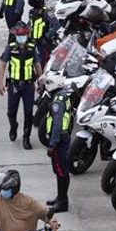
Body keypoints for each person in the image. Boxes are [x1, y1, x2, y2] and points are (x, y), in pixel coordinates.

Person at [0, 24, 40, 150]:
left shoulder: (32, 48)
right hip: (14, 85)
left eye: (24, 35)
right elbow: (3, 65)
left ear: (27, 35)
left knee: (28, 112)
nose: (21, 37)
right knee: (11, 111)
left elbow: (37, 65)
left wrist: (41, 82)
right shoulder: (10, 48)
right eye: (19, 35)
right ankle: (13, 126)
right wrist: (0, 83)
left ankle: (26, 137)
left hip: (28, 86)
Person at [44, 84, 75, 212]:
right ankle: (60, 196)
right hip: (64, 138)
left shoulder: (57, 103)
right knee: (60, 171)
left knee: (61, 171)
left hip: (59, 141)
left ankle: (63, 202)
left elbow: (57, 123)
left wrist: (52, 144)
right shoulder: (63, 96)